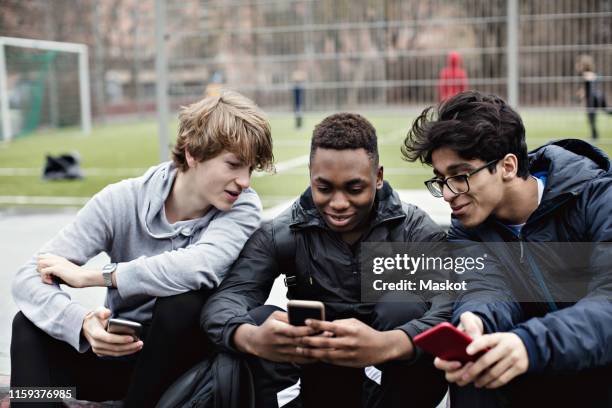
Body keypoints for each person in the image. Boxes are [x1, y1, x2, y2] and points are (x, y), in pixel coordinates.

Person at [10, 90, 274, 407]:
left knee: (183, 301)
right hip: (121, 352)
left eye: (250, 169)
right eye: (233, 165)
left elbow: (197, 266)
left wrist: (96, 277)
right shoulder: (122, 200)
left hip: (184, 369)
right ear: (193, 153)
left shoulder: (243, 207)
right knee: (28, 325)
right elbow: (28, 276)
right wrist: (82, 324)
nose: (245, 181)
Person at [202, 113, 452, 408]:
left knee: (402, 305)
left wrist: (391, 343)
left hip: (394, 381)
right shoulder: (283, 233)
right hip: (318, 380)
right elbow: (226, 299)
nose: (338, 203)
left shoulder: (412, 230)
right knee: (259, 320)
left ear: (379, 177)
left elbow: (450, 304)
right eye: (324, 188)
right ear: (311, 175)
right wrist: (251, 337)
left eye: (354, 188)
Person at [401, 90, 612, 407]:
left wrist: (529, 344)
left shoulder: (596, 198)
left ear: (508, 166)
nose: (447, 193)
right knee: (472, 371)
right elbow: (486, 286)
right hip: (534, 372)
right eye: (441, 179)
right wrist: (476, 319)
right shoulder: (468, 226)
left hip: (596, 368)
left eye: (460, 176)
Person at [575, 54, 611, 141]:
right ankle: (594, 135)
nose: (576, 65)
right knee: (606, 111)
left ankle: (594, 136)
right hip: (599, 95)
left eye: (578, 64)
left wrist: (585, 98)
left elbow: (591, 88)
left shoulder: (587, 74)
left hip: (594, 97)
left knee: (591, 116)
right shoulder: (589, 74)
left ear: (583, 65)